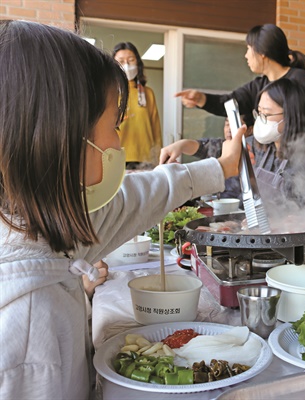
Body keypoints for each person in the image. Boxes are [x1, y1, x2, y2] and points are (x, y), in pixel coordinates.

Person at [0, 20, 242, 399]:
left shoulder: (34, 227)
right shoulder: (29, 328)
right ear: (61, 137)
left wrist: (220, 168)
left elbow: (137, 197)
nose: (118, 141)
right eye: (114, 124)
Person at [165, 78, 305, 214]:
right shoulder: (260, 145)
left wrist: (279, 223)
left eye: (266, 114)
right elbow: (222, 148)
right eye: (259, 113)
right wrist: (184, 145)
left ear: (290, 116)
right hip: (253, 232)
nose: (260, 119)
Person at [176, 23, 305, 159]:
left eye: (248, 49)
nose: (246, 55)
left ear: (262, 53)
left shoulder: (302, 81)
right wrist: (201, 99)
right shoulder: (259, 85)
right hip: (275, 163)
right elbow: (231, 102)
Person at [113, 42, 162, 169]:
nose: (127, 65)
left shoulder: (147, 93)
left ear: (138, 63)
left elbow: (155, 128)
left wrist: (159, 157)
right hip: (117, 157)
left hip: (146, 158)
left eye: (131, 60)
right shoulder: (109, 93)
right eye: (121, 61)